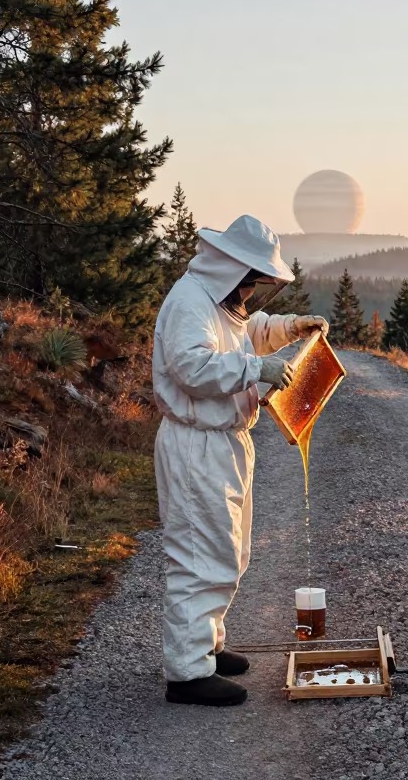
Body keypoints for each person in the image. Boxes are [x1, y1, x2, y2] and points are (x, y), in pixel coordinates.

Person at [152, 215, 329, 706]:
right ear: (232, 268)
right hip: (195, 445)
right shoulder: (189, 301)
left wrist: (291, 328)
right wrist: (257, 368)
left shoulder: (216, 301)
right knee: (198, 554)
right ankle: (187, 674)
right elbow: (191, 366)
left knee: (230, 551)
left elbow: (245, 332)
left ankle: (206, 646)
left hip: (224, 442)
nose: (251, 292)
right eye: (250, 281)